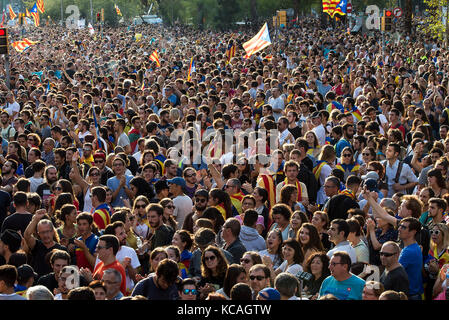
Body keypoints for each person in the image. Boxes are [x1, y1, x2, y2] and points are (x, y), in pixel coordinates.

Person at [23, 210, 67, 277]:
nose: (45, 235)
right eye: (42, 232)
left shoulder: (61, 249)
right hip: (38, 284)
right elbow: (27, 235)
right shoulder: (36, 245)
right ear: (38, 234)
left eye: (48, 231)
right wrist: (35, 219)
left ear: (52, 231)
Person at [397, 217, 424, 300]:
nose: (399, 229)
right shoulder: (414, 247)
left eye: (403, 227)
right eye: (400, 226)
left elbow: (393, 272)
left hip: (410, 296)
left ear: (413, 232)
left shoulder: (409, 251)